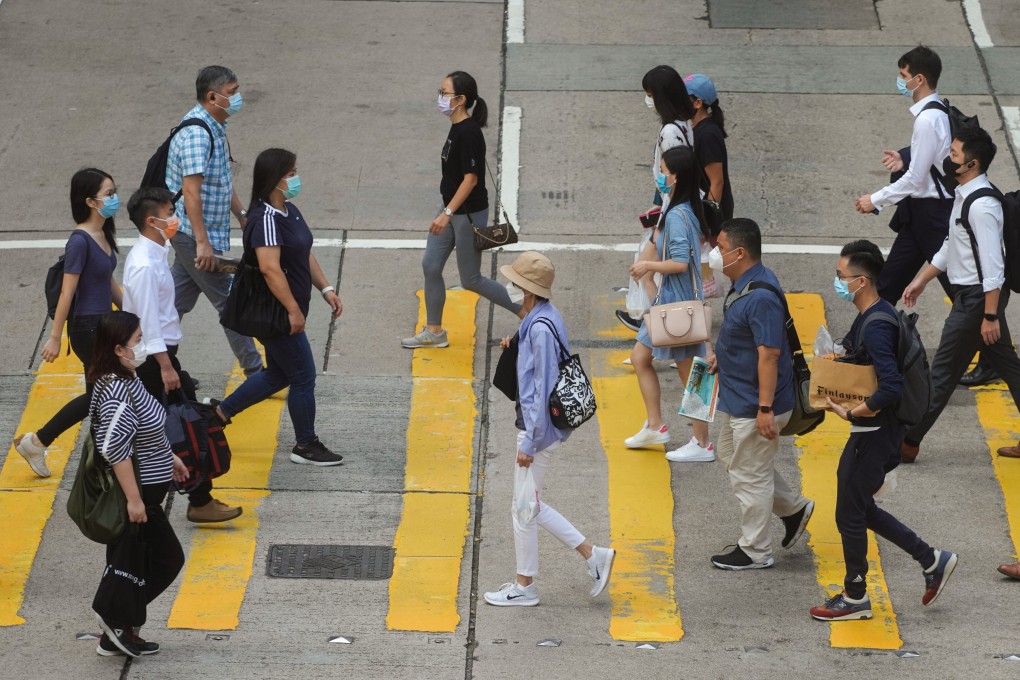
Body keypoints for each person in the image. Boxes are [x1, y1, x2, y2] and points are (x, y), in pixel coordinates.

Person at [810, 240, 957, 621]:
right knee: (860, 507)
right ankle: (932, 560)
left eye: (841, 276)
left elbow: (890, 385)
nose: (837, 282)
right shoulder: (874, 313)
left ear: (861, 281)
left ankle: (856, 596)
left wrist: (853, 412)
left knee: (848, 513)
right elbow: (868, 365)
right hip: (877, 430)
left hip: (875, 430)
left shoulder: (875, 323)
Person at [483, 252, 615, 606]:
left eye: (514, 283)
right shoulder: (543, 317)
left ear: (527, 290)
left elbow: (542, 389)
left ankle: (529, 585)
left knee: (524, 507)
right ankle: (589, 556)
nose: (510, 287)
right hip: (540, 429)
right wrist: (517, 345)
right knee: (526, 505)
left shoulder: (538, 329)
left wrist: (529, 442)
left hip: (537, 430)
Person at [211, 149, 344, 465]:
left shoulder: (289, 209)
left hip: (286, 309)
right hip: (276, 313)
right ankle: (306, 445)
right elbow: (270, 269)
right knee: (303, 376)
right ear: (274, 179)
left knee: (278, 374)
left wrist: (325, 288)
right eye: (291, 173)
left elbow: (303, 252)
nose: (296, 178)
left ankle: (216, 416)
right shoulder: (265, 220)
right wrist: (293, 311)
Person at [900, 127, 1020, 463]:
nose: (947, 158)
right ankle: (908, 439)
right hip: (975, 299)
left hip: (977, 301)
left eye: (953, 154)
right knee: (1010, 369)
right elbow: (954, 243)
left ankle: (907, 442)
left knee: (942, 373)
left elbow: (994, 267)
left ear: (972, 163)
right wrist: (922, 279)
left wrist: (990, 316)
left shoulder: (982, 206)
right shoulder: (965, 193)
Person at [123, 187, 241, 522]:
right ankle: (173, 501)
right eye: (170, 212)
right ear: (152, 220)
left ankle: (198, 499)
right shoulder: (145, 264)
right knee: (180, 428)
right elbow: (146, 321)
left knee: (181, 425)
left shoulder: (156, 254)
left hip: (159, 356)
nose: (176, 218)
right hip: (152, 360)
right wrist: (165, 366)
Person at [705, 218, 814, 569]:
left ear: (739, 252)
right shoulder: (745, 284)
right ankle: (793, 508)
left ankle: (755, 551)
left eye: (720, 248)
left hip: (756, 405)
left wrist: (765, 408)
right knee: (731, 456)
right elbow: (747, 341)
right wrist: (723, 358)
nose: (714, 254)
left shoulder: (761, 296)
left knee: (749, 475)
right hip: (739, 400)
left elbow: (769, 354)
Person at [88, 310, 188, 657]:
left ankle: (118, 628)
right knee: (166, 559)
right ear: (118, 349)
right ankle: (114, 620)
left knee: (133, 563)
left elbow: (144, 429)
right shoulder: (116, 388)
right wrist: (134, 500)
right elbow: (115, 447)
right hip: (140, 496)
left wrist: (168, 456)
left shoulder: (129, 378)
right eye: (137, 341)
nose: (143, 346)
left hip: (148, 490)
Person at [402, 71, 522, 349]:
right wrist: (445, 210)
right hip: (449, 209)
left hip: (466, 215)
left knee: (472, 279)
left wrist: (447, 213)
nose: (440, 97)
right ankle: (434, 332)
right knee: (430, 265)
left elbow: (471, 179)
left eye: (445, 93)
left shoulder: (468, 132)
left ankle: (527, 312)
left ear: (461, 99)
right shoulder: (456, 128)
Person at [14, 168, 122, 476]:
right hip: (88, 328)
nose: (115, 199)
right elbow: (67, 291)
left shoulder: (102, 234)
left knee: (100, 395)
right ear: (90, 201)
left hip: (104, 324)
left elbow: (107, 282)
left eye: (114, 192)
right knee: (108, 392)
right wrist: (55, 336)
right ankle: (102, 458)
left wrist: (134, 316)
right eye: (109, 194)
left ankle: (39, 441)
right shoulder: (80, 241)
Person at [166, 65, 263, 377]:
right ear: (212, 96)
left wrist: (242, 214)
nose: (238, 98)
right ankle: (256, 371)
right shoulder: (197, 135)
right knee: (231, 303)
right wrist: (202, 243)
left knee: (174, 303)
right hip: (193, 234)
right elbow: (191, 193)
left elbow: (220, 179)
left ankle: (149, 359)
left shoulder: (215, 126)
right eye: (232, 92)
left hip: (196, 233)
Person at [623, 147, 714, 463]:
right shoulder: (677, 208)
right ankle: (655, 425)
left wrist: (649, 267)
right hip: (668, 304)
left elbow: (679, 263)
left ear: (676, 176)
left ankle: (702, 444)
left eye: (662, 169)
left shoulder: (678, 215)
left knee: (693, 377)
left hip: (678, 308)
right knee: (640, 357)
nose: (659, 174)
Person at [855, 46, 953, 303]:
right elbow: (934, 155)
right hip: (920, 216)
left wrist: (875, 200)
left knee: (960, 293)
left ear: (919, 79)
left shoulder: (926, 120)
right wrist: (905, 157)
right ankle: (859, 343)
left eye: (903, 74)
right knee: (887, 287)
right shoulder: (938, 111)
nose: (900, 81)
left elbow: (915, 179)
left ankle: (995, 340)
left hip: (935, 217)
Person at [616, 65, 696, 332]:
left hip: (673, 211)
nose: (647, 100)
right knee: (648, 274)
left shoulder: (670, 132)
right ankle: (655, 332)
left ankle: (665, 335)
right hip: (671, 207)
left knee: (647, 273)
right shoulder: (684, 122)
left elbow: (676, 174)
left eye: (650, 94)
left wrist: (663, 212)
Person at [687, 73, 731, 299]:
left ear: (698, 103)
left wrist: (705, 224)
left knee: (725, 265)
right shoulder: (698, 129)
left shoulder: (708, 134)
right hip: (703, 212)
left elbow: (717, 181)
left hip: (711, 217)